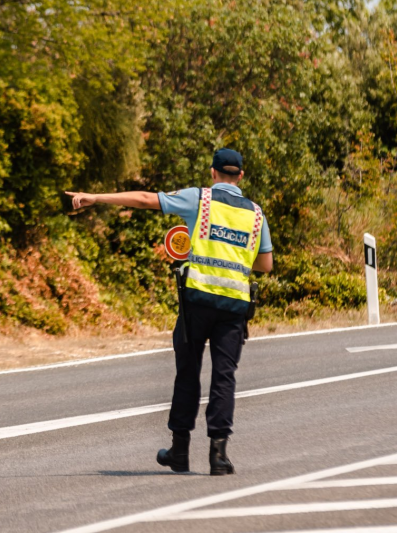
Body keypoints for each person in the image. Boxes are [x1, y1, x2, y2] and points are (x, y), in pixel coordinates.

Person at [65, 148, 273, 475]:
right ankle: (219, 456)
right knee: (224, 377)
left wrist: (95, 197)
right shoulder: (257, 214)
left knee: (188, 372)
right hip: (234, 306)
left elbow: (147, 199)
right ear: (241, 177)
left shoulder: (200, 200)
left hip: (196, 302)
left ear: (213, 172)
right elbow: (265, 264)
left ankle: (179, 451)